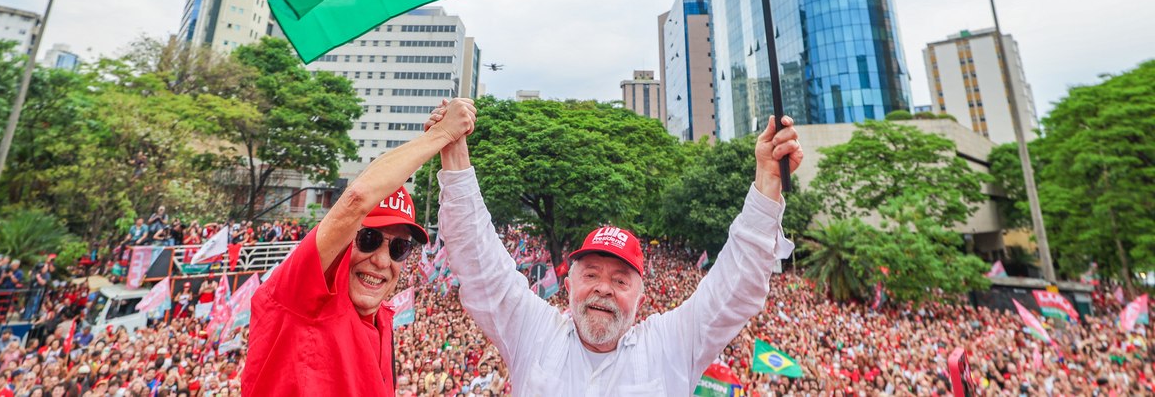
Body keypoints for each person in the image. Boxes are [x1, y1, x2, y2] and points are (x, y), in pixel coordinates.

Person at [428, 99, 802, 395]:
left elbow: (735, 289)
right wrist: (454, 153)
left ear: (640, 299)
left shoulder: (671, 345)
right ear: (569, 286)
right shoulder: (534, 332)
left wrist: (768, 181)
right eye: (591, 274)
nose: (603, 288)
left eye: (621, 281)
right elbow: (479, 264)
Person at [241, 99, 476, 396]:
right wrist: (439, 136)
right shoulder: (299, 293)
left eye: (399, 248)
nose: (381, 261)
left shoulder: (384, 320)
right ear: (346, 236)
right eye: (369, 239)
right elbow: (356, 199)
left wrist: (450, 142)